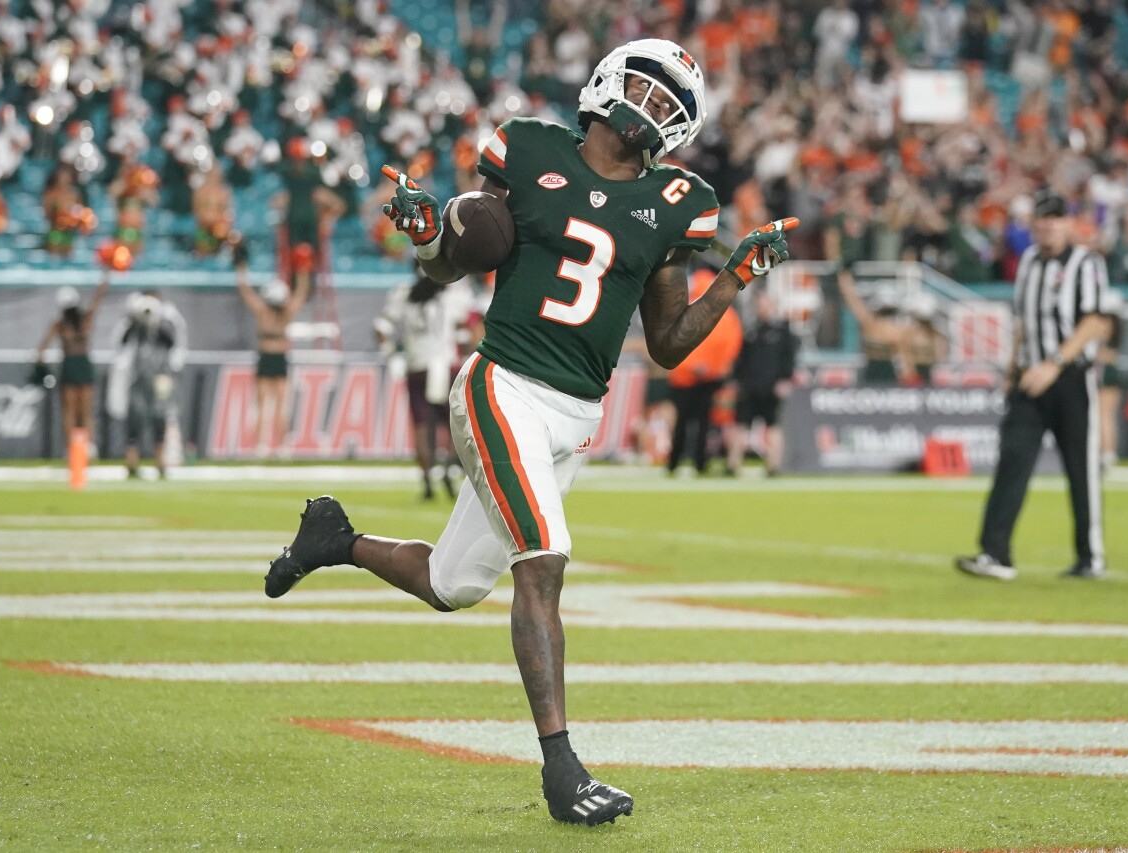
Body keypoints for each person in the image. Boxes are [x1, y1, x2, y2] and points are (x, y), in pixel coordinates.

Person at [262, 39, 796, 825]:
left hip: (576, 413)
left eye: (666, 101)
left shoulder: (681, 201)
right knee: (542, 559)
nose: (650, 108)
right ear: (609, 79)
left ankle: (335, 539)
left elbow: (672, 343)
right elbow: (452, 262)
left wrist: (736, 278)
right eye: (645, 88)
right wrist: (427, 235)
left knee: (454, 583)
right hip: (501, 384)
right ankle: (562, 770)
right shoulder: (530, 147)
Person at [956, 190, 1112, 582]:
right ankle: (996, 554)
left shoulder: (1086, 262)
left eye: (1056, 218)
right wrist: (1013, 372)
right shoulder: (1027, 262)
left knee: (1081, 469)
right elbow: (1023, 323)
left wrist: (1054, 363)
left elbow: (1095, 322)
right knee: (1012, 460)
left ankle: (1089, 557)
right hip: (1030, 377)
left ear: (1069, 222)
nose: (1049, 225)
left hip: (1070, 377)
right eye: (1043, 218)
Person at [374, 267, 479, 500]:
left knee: (422, 426)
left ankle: (427, 480)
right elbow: (466, 330)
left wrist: (392, 355)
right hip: (444, 366)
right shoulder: (451, 295)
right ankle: (450, 470)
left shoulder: (404, 293)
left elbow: (381, 328)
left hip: (416, 366)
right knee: (453, 424)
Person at [233, 241, 311, 459]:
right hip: (270, 356)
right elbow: (246, 290)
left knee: (277, 403)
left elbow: (246, 290)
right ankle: (263, 444)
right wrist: (241, 267)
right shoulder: (270, 312)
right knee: (265, 403)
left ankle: (280, 445)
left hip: (274, 356)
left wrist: (303, 271)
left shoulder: (270, 313)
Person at [666, 268, 743, 476]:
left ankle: (675, 462)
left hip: (687, 378)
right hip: (707, 378)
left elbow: (672, 343)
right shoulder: (726, 314)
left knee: (685, 422)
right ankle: (699, 462)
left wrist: (693, 366)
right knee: (700, 423)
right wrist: (714, 368)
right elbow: (731, 348)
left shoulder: (683, 309)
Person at [34, 272, 112, 451]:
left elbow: (41, 350)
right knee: (85, 411)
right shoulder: (85, 320)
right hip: (83, 365)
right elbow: (97, 300)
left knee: (69, 411)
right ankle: (87, 446)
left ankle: (71, 449)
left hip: (70, 365)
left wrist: (39, 367)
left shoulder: (60, 324)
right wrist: (105, 279)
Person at [111, 292, 185, 478]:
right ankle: (132, 463)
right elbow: (122, 342)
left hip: (160, 379)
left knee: (160, 419)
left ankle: (161, 463)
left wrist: (157, 323)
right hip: (136, 379)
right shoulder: (133, 326)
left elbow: (172, 342)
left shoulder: (165, 324)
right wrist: (134, 321)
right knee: (134, 422)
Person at [726, 290, 798, 476]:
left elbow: (789, 359)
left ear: (773, 306)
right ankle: (733, 465)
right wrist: (735, 380)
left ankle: (774, 466)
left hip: (772, 387)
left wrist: (785, 380)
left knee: (772, 425)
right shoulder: (751, 330)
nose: (763, 309)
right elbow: (741, 359)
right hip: (749, 386)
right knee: (741, 424)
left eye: (766, 305)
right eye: (760, 306)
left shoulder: (783, 331)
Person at [837, 271, 912, 385]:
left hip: (885, 375)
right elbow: (852, 299)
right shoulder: (872, 323)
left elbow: (904, 357)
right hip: (871, 374)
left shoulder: (896, 329)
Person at [1097, 291, 1126, 469]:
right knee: (1106, 416)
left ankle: (1107, 453)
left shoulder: (1106, 324)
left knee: (1104, 416)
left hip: (1105, 373)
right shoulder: (1117, 325)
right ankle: (1107, 453)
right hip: (1110, 373)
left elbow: (1103, 353)